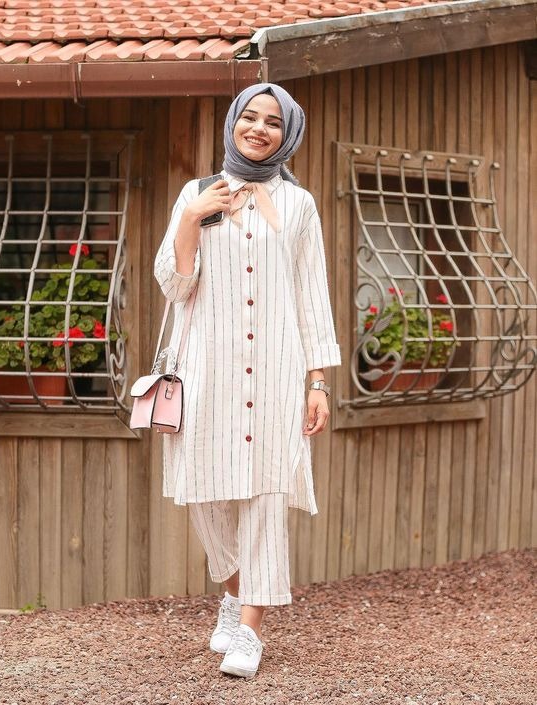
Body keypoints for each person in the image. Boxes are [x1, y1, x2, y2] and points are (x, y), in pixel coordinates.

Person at [154, 83, 341, 679]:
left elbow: (312, 293)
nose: (260, 129)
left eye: (274, 122)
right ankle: (234, 594)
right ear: (233, 123)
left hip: (279, 373)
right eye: (251, 117)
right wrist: (192, 217)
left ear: (288, 134)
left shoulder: (300, 205)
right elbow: (175, 285)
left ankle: (251, 631)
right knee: (206, 494)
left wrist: (318, 381)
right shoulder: (196, 193)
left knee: (266, 495)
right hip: (207, 370)